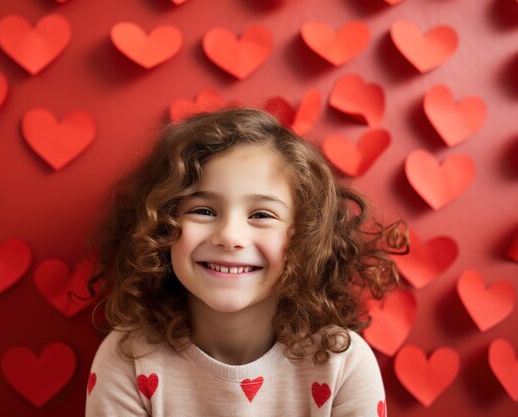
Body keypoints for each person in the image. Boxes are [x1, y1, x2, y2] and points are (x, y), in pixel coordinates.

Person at [84, 108, 407, 416]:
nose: (230, 236)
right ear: (163, 225)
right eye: (204, 211)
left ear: (302, 238)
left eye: (262, 215)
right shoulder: (128, 357)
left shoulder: (342, 363)